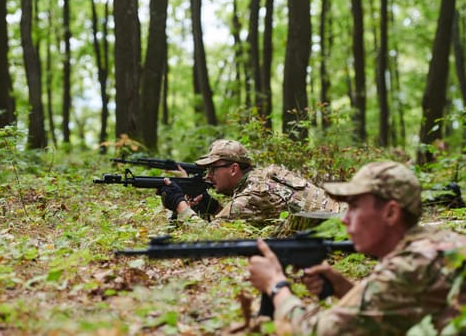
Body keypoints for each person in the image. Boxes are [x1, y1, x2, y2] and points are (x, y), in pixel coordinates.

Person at [248, 160, 466, 335]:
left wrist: (275, 285)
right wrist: (345, 289)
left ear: (391, 213)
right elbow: (394, 309)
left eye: (354, 207)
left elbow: (317, 332)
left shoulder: (409, 265)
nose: (345, 219)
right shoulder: (440, 242)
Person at [159, 139, 344, 230]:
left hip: (344, 230)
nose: (208, 176)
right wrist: (214, 207)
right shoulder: (264, 176)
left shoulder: (252, 195)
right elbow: (250, 218)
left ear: (233, 169)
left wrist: (179, 204)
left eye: (213, 170)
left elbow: (208, 236)